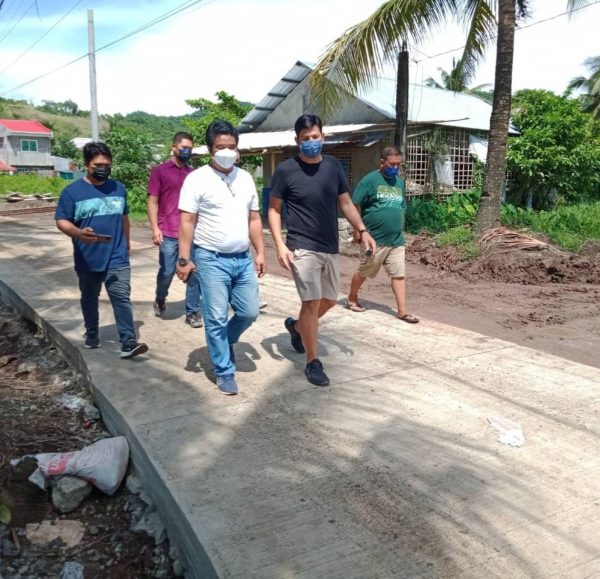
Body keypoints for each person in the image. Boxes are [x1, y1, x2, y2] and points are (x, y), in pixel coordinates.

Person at [268, 114, 376, 387]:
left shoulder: (333, 167)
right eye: (306, 139)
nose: (311, 142)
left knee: (329, 299)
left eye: (315, 137)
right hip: (301, 245)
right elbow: (273, 209)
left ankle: (296, 327)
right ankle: (313, 362)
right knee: (312, 302)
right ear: (297, 141)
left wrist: (362, 230)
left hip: (329, 245)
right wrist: (279, 244)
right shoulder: (285, 170)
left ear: (323, 137)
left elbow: (346, 203)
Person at [176, 120, 265, 396]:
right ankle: (224, 369)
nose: (227, 152)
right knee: (215, 317)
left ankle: (223, 342)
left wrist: (260, 251)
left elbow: (253, 217)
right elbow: (187, 220)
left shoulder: (246, 178)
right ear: (210, 149)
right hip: (210, 258)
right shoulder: (197, 179)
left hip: (242, 258)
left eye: (232, 147)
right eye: (220, 147)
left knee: (249, 311)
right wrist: (183, 259)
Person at [55, 141, 148, 358]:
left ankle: (128, 341)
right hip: (87, 258)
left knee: (121, 297)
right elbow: (61, 221)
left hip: (117, 256)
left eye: (107, 164)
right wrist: (78, 233)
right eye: (98, 164)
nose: (103, 168)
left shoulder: (119, 188)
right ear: (86, 165)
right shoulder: (72, 192)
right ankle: (92, 333)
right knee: (89, 297)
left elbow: (124, 219)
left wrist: (126, 242)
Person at [346, 145, 419, 323]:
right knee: (364, 270)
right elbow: (355, 204)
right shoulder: (370, 180)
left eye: (398, 165)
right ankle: (352, 297)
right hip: (374, 239)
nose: (395, 167)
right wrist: (358, 231)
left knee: (399, 274)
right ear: (381, 162)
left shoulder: (399, 183)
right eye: (392, 164)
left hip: (396, 240)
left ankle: (402, 311)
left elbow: (401, 207)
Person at [147, 132, 203, 328]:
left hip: (192, 233)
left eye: (190, 148)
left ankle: (193, 311)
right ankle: (160, 297)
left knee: (194, 272)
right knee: (167, 271)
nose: (187, 151)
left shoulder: (193, 174)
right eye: (183, 147)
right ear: (173, 147)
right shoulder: (159, 171)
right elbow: (153, 201)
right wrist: (155, 228)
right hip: (169, 232)